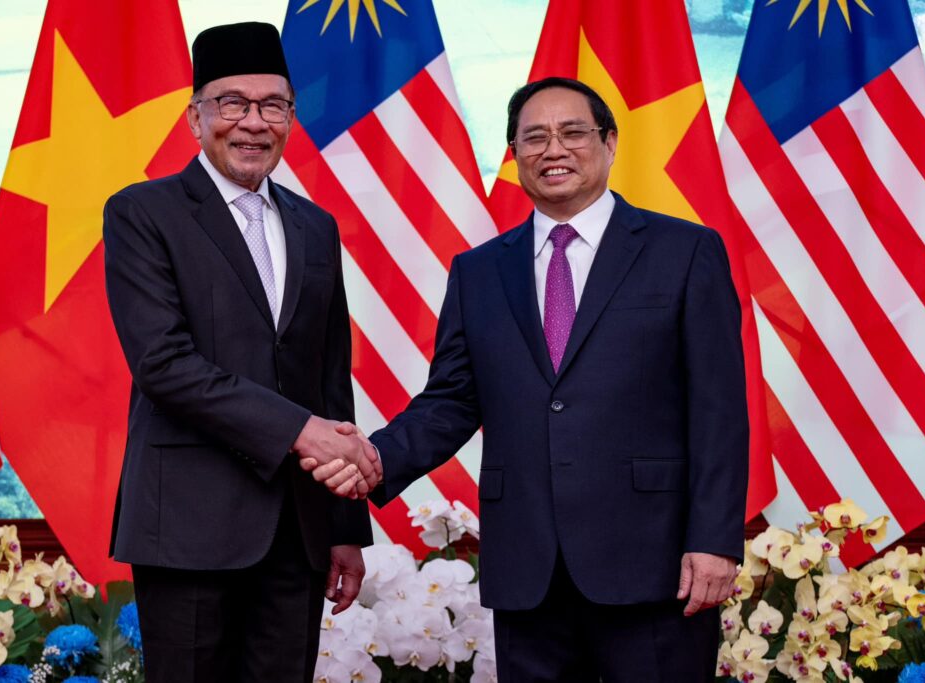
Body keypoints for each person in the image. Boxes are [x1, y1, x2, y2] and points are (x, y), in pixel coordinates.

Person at [316, 76, 750, 681]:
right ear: (514, 153)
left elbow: (719, 412)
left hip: (653, 562)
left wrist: (715, 540)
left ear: (610, 142)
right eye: (535, 137)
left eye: (573, 132)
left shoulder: (685, 251)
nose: (554, 149)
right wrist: (374, 460)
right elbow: (451, 401)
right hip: (528, 568)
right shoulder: (479, 271)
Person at [103, 22, 378, 683]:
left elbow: (328, 382)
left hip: (298, 529)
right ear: (196, 117)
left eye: (273, 105)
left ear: (290, 118)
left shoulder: (315, 225)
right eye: (233, 103)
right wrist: (300, 431)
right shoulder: (143, 212)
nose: (254, 123)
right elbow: (164, 364)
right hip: (187, 523)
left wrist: (345, 525)